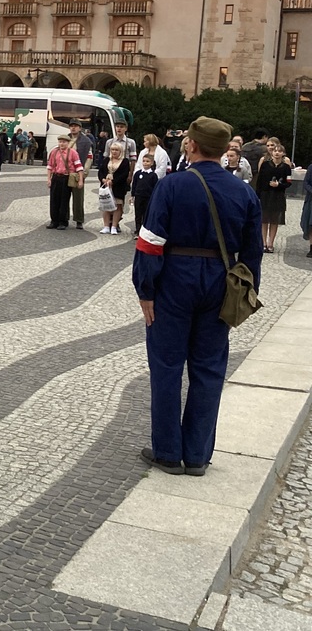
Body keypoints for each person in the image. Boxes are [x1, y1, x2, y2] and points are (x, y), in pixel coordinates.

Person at [135, 117, 263, 477]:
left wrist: (146, 289)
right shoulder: (244, 192)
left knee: (166, 366)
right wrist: (246, 294)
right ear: (224, 150)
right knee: (208, 369)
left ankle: (167, 451)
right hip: (221, 281)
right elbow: (252, 254)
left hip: (174, 279)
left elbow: (150, 242)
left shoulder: (172, 185)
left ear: (191, 145)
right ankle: (197, 455)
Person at [256, 139, 292, 253]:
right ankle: (263, 242)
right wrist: (258, 195)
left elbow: (289, 182)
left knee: (274, 220)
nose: (276, 153)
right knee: (264, 220)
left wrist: (279, 185)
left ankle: (271, 243)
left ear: (283, 153)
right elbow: (260, 181)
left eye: (279, 151)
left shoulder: (286, 167)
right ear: (272, 153)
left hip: (278, 195)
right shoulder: (265, 165)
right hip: (265, 195)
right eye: (275, 151)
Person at [46, 133, 82, 230]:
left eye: (64, 142)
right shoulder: (54, 152)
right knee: (54, 199)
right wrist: (49, 179)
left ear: (68, 143)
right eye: (60, 142)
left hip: (66, 178)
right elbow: (50, 166)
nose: (62, 144)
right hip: (56, 177)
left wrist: (80, 180)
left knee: (64, 200)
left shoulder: (73, 153)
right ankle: (54, 220)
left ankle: (63, 221)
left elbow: (79, 168)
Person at [100, 142, 131, 234]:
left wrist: (113, 182)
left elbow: (124, 174)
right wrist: (103, 179)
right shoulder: (106, 160)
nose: (114, 152)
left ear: (120, 151)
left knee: (117, 206)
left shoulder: (125, 161)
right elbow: (101, 171)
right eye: (112, 150)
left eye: (116, 150)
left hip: (118, 186)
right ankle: (106, 226)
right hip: (106, 186)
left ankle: (114, 226)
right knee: (106, 206)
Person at [67, 120, 93, 230]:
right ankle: (63, 218)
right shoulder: (65, 138)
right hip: (65, 171)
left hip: (78, 172)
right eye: (71, 126)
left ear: (80, 128)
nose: (73, 128)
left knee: (78, 198)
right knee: (64, 197)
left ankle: (79, 220)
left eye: (76, 126)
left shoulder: (86, 141)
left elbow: (89, 157)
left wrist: (84, 172)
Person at [131, 153, 159, 237]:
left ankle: (144, 230)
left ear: (152, 163)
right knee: (138, 214)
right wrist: (132, 195)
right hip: (139, 196)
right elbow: (134, 185)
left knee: (146, 214)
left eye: (147, 161)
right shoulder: (138, 173)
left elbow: (155, 187)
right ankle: (137, 230)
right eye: (144, 161)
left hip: (148, 197)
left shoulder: (153, 175)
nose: (145, 163)